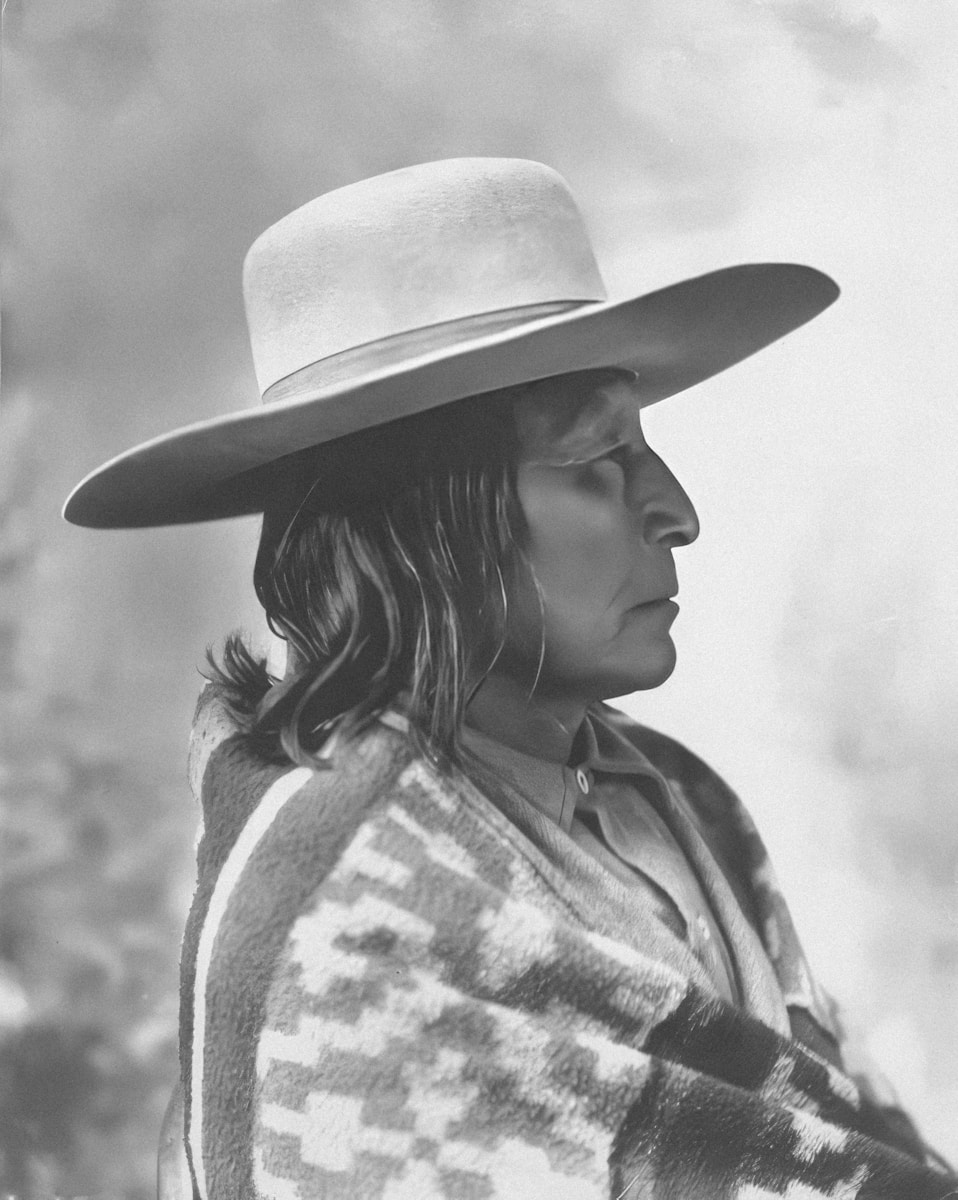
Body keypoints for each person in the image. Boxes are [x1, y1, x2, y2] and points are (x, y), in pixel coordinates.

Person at [65, 158, 955, 1200]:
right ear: (430, 524)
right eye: (595, 465)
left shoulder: (676, 801)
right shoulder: (345, 916)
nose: (675, 511)